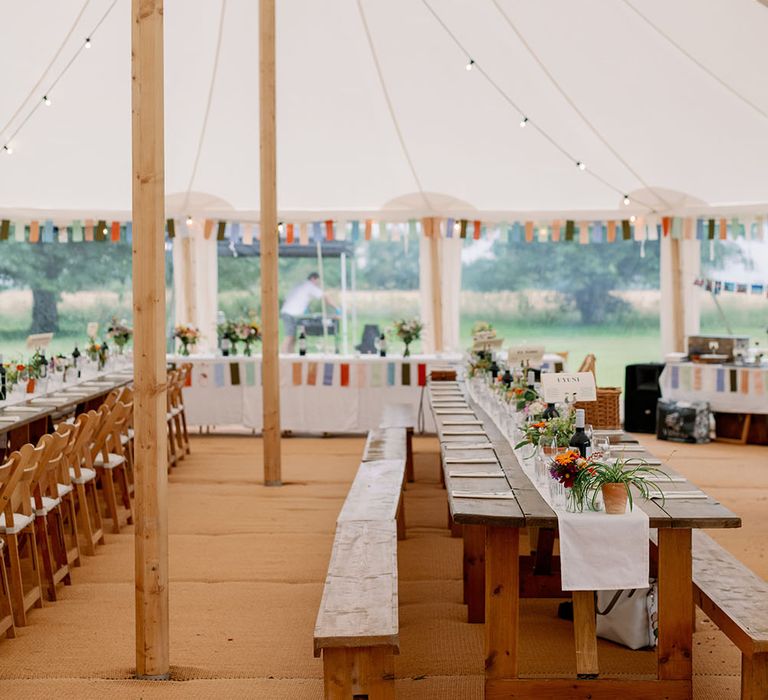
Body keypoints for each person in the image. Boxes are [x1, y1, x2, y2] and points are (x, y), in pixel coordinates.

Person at [280, 272, 338, 353]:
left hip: (287, 311)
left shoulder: (300, 285)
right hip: (290, 313)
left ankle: (290, 356)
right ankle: (283, 356)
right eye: (318, 281)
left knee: (292, 337)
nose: (318, 283)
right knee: (289, 336)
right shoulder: (309, 286)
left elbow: (287, 299)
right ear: (313, 279)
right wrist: (337, 308)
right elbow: (325, 296)